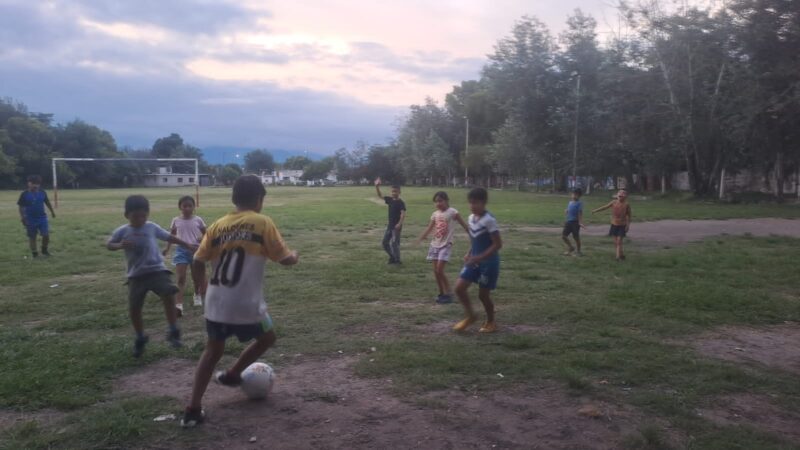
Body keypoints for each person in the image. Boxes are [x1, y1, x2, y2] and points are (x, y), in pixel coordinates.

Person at [182, 175, 299, 428]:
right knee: (267, 338)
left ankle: (192, 408)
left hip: (216, 302)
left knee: (212, 351)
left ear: (234, 199)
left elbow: (198, 260)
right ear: (259, 200)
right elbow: (284, 258)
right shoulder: (262, 223)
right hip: (246, 304)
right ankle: (234, 374)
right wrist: (295, 256)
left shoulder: (217, 225)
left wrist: (200, 286)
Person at [106, 195, 197, 358]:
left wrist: (187, 244)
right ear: (126, 215)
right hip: (136, 276)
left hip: (157, 271)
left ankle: (173, 330)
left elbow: (169, 236)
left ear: (147, 214)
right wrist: (119, 245)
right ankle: (141, 337)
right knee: (134, 308)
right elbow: (109, 244)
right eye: (136, 216)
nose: (140, 219)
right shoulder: (123, 231)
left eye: (144, 215)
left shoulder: (151, 227)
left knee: (168, 293)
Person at [453, 187, 503, 333]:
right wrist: (469, 253)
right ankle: (471, 316)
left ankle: (491, 321)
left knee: (483, 295)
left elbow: (498, 244)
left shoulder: (489, 220)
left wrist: (479, 257)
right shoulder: (471, 218)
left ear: (484, 202)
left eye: (476, 203)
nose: (472, 206)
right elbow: (474, 238)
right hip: (474, 261)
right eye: (470, 203)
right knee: (459, 288)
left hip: (489, 263)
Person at [415, 191, 469, 304]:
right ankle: (441, 293)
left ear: (446, 200)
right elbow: (430, 228)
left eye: (440, 201)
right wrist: (421, 237)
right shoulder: (435, 214)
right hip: (435, 244)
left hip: (446, 244)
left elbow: (465, 226)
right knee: (436, 271)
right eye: (436, 202)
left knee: (440, 269)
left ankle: (449, 292)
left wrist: (473, 235)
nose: (438, 203)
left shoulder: (453, 212)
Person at [162, 196, 207, 315]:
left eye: (190, 206)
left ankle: (197, 294)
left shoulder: (198, 220)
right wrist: (167, 248)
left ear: (194, 207)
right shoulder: (176, 220)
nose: (187, 208)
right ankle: (179, 305)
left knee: (195, 276)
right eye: (184, 206)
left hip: (195, 250)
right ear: (180, 207)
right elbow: (171, 236)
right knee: (180, 278)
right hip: (181, 250)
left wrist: (202, 241)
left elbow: (206, 235)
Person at [17, 175, 56, 258]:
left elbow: (47, 202)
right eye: (33, 183)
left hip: (42, 217)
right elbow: (21, 207)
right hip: (30, 219)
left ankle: (44, 250)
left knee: (46, 235)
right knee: (32, 237)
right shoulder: (24, 194)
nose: (35, 185)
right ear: (28, 183)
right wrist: (23, 217)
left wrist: (52, 212)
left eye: (37, 184)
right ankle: (35, 254)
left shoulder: (42, 192)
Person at [592, 189, 632, 261]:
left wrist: (628, 225)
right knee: (616, 242)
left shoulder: (626, 205)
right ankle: (621, 255)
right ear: (617, 196)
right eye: (619, 194)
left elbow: (629, 215)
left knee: (619, 241)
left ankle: (617, 257)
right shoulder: (614, 202)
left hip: (622, 225)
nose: (621, 196)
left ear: (625, 197)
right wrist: (595, 210)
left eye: (622, 195)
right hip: (614, 224)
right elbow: (605, 207)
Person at [375, 177, 406, 264]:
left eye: (395, 191)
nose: (393, 193)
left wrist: (399, 223)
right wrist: (377, 187)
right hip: (390, 226)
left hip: (396, 227)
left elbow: (403, 214)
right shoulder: (390, 200)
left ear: (399, 192)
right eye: (392, 191)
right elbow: (380, 196)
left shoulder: (401, 202)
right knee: (385, 243)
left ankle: (397, 260)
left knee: (394, 244)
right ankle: (392, 257)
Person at [562, 188, 586, 256]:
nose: (574, 196)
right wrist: (566, 212)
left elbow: (580, 213)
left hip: (575, 223)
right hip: (568, 222)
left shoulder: (579, 203)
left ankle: (579, 251)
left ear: (579, 196)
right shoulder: (570, 203)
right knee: (564, 236)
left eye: (576, 195)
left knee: (576, 237)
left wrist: (580, 222)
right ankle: (571, 247)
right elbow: (568, 211)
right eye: (573, 194)